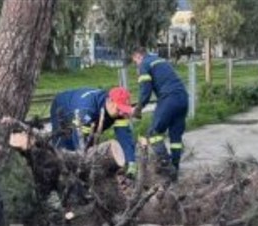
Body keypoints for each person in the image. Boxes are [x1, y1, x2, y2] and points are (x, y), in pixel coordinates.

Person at [49, 86, 138, 176]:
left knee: (90, 144)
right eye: (119, 109)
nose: (121, 113)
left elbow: (125, 136)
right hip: (63, 107)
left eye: (124, 110)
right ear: (110, 101)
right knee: (65, 148)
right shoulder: (87, 110)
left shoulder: (118, 112)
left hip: (87, 116)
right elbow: (80, 140)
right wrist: (84, 164)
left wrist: (131, 161)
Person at [131, 47, 189, 178]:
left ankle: (167, 168)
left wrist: (138, 108)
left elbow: (145, 90)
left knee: (154, 133)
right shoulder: (160, 60)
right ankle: (175, 169)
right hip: (183, 98)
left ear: (138, 56)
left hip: (169, 99)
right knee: (175, 138)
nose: (136, 65)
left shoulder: (144, 64)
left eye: (135, 62)